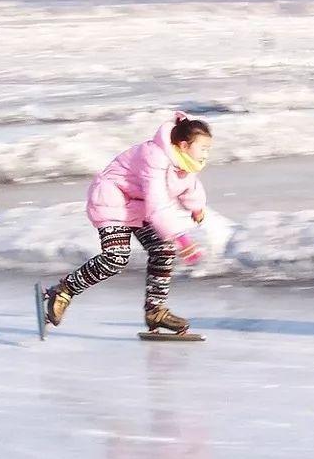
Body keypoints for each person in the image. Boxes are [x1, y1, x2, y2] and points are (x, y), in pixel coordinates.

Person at [39, 111, 212, 335]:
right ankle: (63, 290)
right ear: (184, 145)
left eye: (208, 149)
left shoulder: (184, 162)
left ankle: (155, 311)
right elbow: (158, 203)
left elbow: (189, 186)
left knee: (163, 250)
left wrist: (196, 206)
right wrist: (182, 237)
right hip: (112, 200)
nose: (207, 154)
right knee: (116, 258)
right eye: (203, 148)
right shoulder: (155, 157)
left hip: (138, 206)